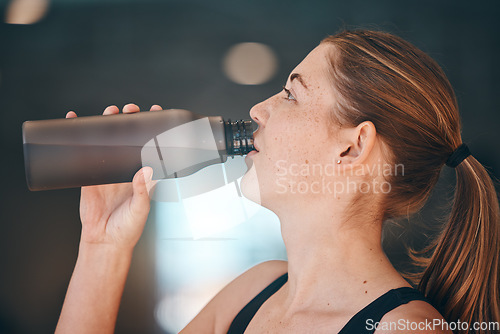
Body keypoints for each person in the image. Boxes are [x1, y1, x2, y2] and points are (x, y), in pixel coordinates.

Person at [55, 29, 499, 334]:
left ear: (353, 147)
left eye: (291, 93)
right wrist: (102, 246)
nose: (257, 111)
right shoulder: (251, 293)